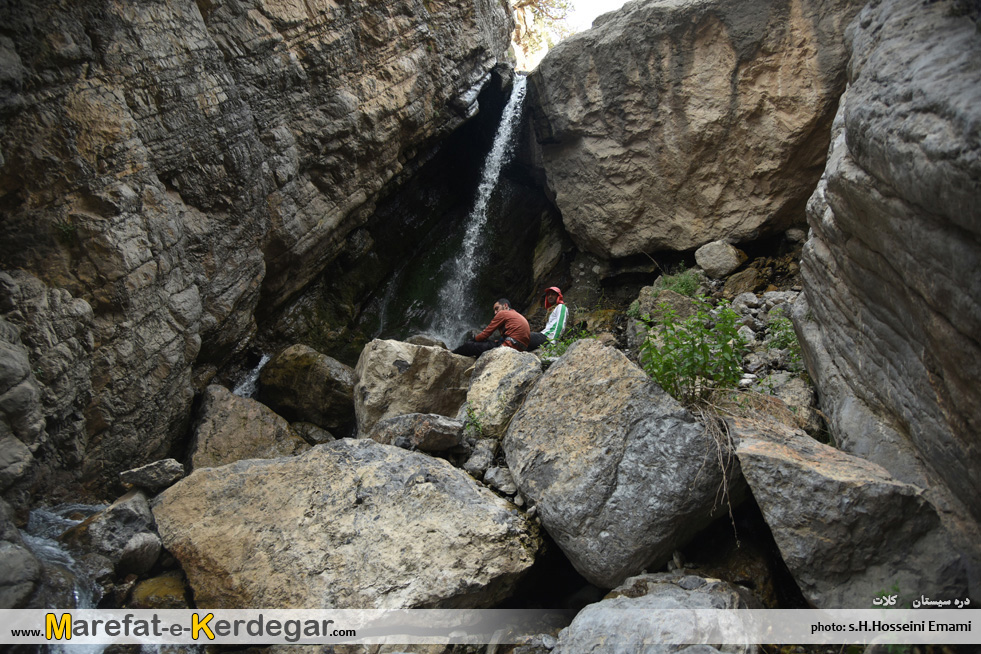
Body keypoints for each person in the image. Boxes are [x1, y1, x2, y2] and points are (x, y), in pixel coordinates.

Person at [452, 298, 531, 357]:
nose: (495, 312)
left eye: (497, 308)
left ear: (505, 306)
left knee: (469, 345)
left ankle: (452, 354)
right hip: (519, 350)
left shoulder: (503, 313)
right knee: (488, 344)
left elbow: (485, 334)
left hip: (507, 348)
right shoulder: (516, 315)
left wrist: (473, 341)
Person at [529, 286, 568, 351]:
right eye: (548, 294)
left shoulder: (561, 306)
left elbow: (560, 325)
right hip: (545, 336)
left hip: (548, 337)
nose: (550, 296)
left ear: (558, 296)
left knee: (524, 335)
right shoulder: (552, 310)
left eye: (553, 294)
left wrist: (553, 342)